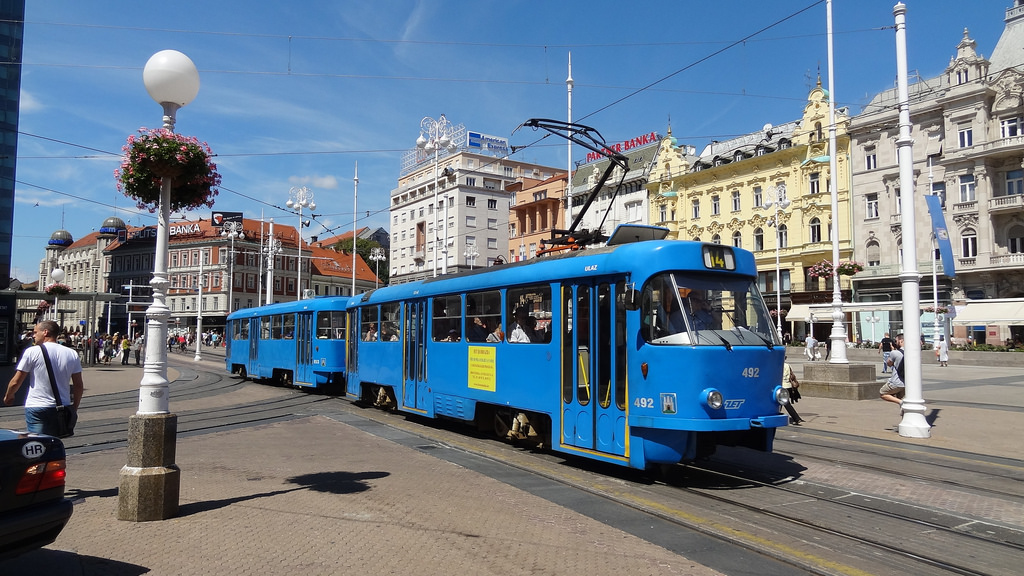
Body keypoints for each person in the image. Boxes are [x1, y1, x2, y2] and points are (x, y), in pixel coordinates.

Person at [3, 320, 84, 435]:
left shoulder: (32, 352)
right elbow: (78, 385)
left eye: (36, 332)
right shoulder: (71, 353)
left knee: (37, 443)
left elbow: (16, 381)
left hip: (37, 406)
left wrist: (8, 396)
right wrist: (74, 408)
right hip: (62, 406)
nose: (33, 335)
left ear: (45, 332)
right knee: (54, 443)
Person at [879, 334, 906, 409]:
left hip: (896, 382)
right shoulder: (912, 352)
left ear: (901, 341)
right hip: (907, 383)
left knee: (883, 393)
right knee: (902, 398)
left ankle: (901, 403)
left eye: (896, 340)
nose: (895, 342)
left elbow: (889, 363)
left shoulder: (895, 353)